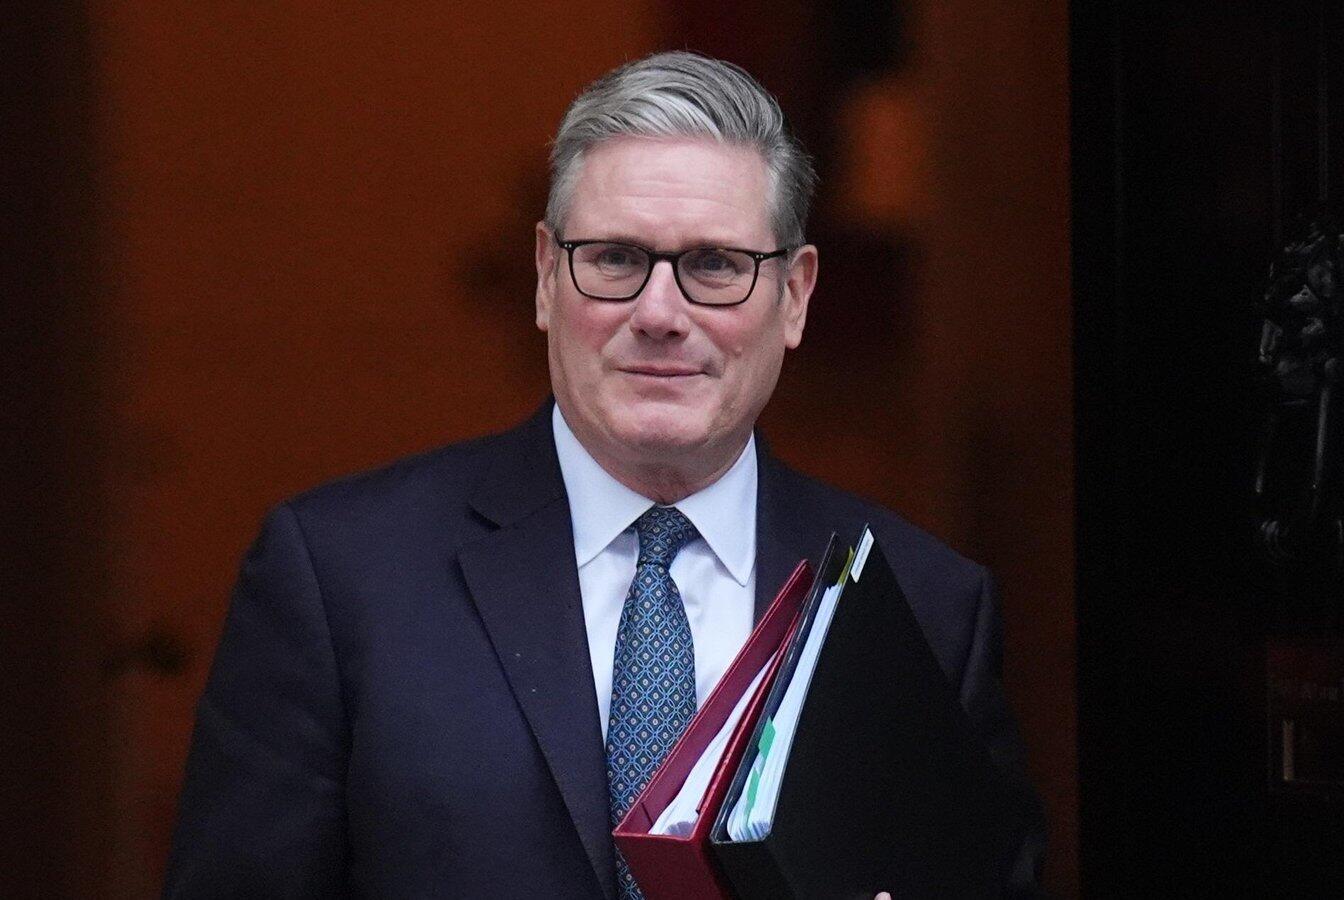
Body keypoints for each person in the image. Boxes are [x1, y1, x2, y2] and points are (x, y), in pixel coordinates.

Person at [165, 51, 1043, 898]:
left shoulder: (927, 605)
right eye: (616, 259)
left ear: (796, 297)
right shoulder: (342, 578)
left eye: (715, 265)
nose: (660, 313)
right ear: (547, 278)